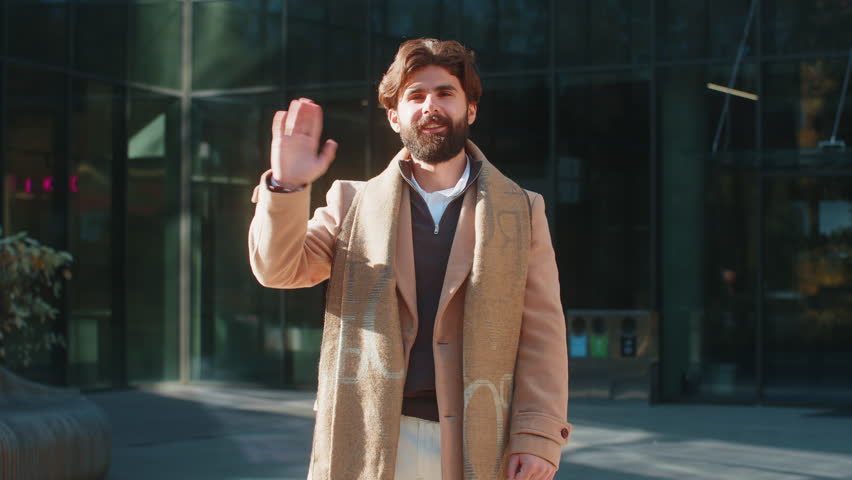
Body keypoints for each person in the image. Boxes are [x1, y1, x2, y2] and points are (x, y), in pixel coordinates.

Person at [248, 38, 570, 480]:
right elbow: (278, 269)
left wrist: (538, 436)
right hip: (368, 441)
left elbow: (543, 335)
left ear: (470, 109)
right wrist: (285, 187)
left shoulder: (522, 210)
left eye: (444, 93)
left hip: (478, 442)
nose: (430, 106)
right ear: (395, 117)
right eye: (415, 95)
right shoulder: (350, 203)